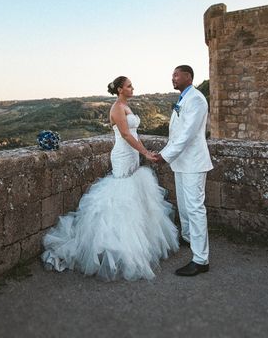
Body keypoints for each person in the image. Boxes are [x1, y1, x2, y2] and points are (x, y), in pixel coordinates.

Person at [41, 76, 179, 281]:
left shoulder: (126, 105)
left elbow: (135, 132)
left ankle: (141, 244)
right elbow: (125, 135)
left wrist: (141, 152)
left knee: (135, 197)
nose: (133, 88)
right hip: (123, 155)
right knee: (121, 198)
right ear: (120, 89)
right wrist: (145, 153)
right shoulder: (116, 108)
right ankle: (118, 250)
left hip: (132, 154)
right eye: (129, 85)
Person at [153, 65, 213, 276]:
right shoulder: (183, 98)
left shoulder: (195, 99)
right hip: (181, 163)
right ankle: (188, 238)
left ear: (189, 77)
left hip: (194, 163)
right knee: (185, 208)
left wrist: (164, 156)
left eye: (176, 75)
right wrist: (165, 153)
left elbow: (187, 134)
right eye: (172, 75)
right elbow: (176, 135)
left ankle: (200, 260)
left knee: (195, 209)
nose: (173, 78)